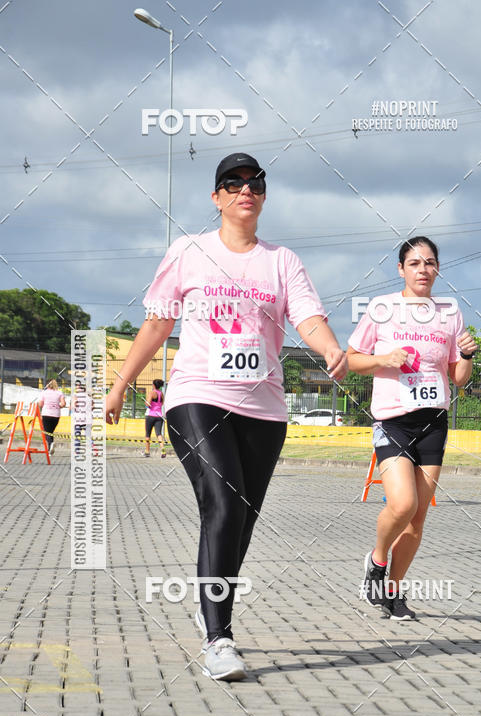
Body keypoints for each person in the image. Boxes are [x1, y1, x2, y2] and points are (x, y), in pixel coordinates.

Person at [105, 152, 347, 680]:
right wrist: (121, 384)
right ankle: (219, 638)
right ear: (216, 197)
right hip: (197, 395)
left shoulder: (282, 261)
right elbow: (156, 325)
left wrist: (331, 350)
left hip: (263, 408)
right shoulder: (188, 252)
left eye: (254, 182)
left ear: (263, 195)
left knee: (241, 522)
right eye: (232, 182)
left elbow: (309, 317)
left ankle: (209, 601)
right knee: (223, 503)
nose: (245, 189)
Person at [347, 236, 477, 620]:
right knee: (403, 504)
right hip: (393, 419)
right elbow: (352, 360)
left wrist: (467, 355)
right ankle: (376, 559)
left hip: (434, 421)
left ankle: (392, 591)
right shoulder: (382, 308)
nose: (423, 270)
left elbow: (460, 379)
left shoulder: (449, 312)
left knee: (418, 518)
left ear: (437, 269)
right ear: (401, 269)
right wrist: (384, 359)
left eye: (430, 263)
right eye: (415, 263)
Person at [38, 379, 66, 454]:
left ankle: (51, 444)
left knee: (46, 432)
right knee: (50, 432)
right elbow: (63, 404)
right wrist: (57, 406)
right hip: (56, 415)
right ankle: (50, 448)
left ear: (47, 384)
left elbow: (40, 404)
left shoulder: (44, 393)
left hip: (46, 413)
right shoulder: (59, 393)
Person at [144, 378, 166, 458]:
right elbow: (162, 403)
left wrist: (146, 402)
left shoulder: (152, 393)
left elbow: (147, 405)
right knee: (159, 434)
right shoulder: (162, 394)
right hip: (159, 416)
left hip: (150, 416)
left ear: (153, 385)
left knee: (148, 434)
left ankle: (147, 451)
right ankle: (163, 449)